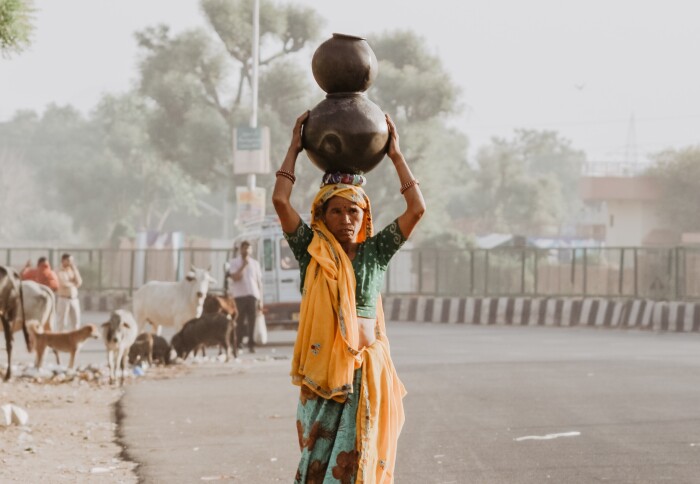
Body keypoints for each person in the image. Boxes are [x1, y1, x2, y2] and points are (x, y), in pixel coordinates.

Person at [272, 111, 426, 483]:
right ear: (322, 216)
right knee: (318, 462)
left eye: (353, 211)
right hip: (325, 379)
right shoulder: (312, 249)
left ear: (364, 215)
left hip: (367, 376)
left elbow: (417, 209)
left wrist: (396, 156)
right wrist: (293, 148)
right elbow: (280, 201)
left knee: (360, 463)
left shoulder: (376, 252)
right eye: (335, 211)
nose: (345, 219)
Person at [227, 240, 263, 353]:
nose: (246, 250)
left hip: (252, 295)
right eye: (244, 248)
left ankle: (251, 345)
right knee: (239, 321)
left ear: (251, 250)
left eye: (248, 248)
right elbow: (235, 277)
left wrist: (261, 300)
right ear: (240, 249)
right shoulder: (234, 262)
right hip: (239, 296)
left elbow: (259, 282)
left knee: (252, 321)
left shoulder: (255, 264)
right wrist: (243, 266)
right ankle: (238, 344)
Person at [56, 253, 83, 331]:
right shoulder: (58, 270)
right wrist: (74, 284)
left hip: (74, 299)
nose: (70, 262)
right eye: (68, 260)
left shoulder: (73, 270)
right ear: (63, 260)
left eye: (71, 260)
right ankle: (60, 341)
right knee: (62, 323)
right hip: (63, 299)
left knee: (76, 322)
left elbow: (79, 282)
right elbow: (63, 283)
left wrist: (74, 270)